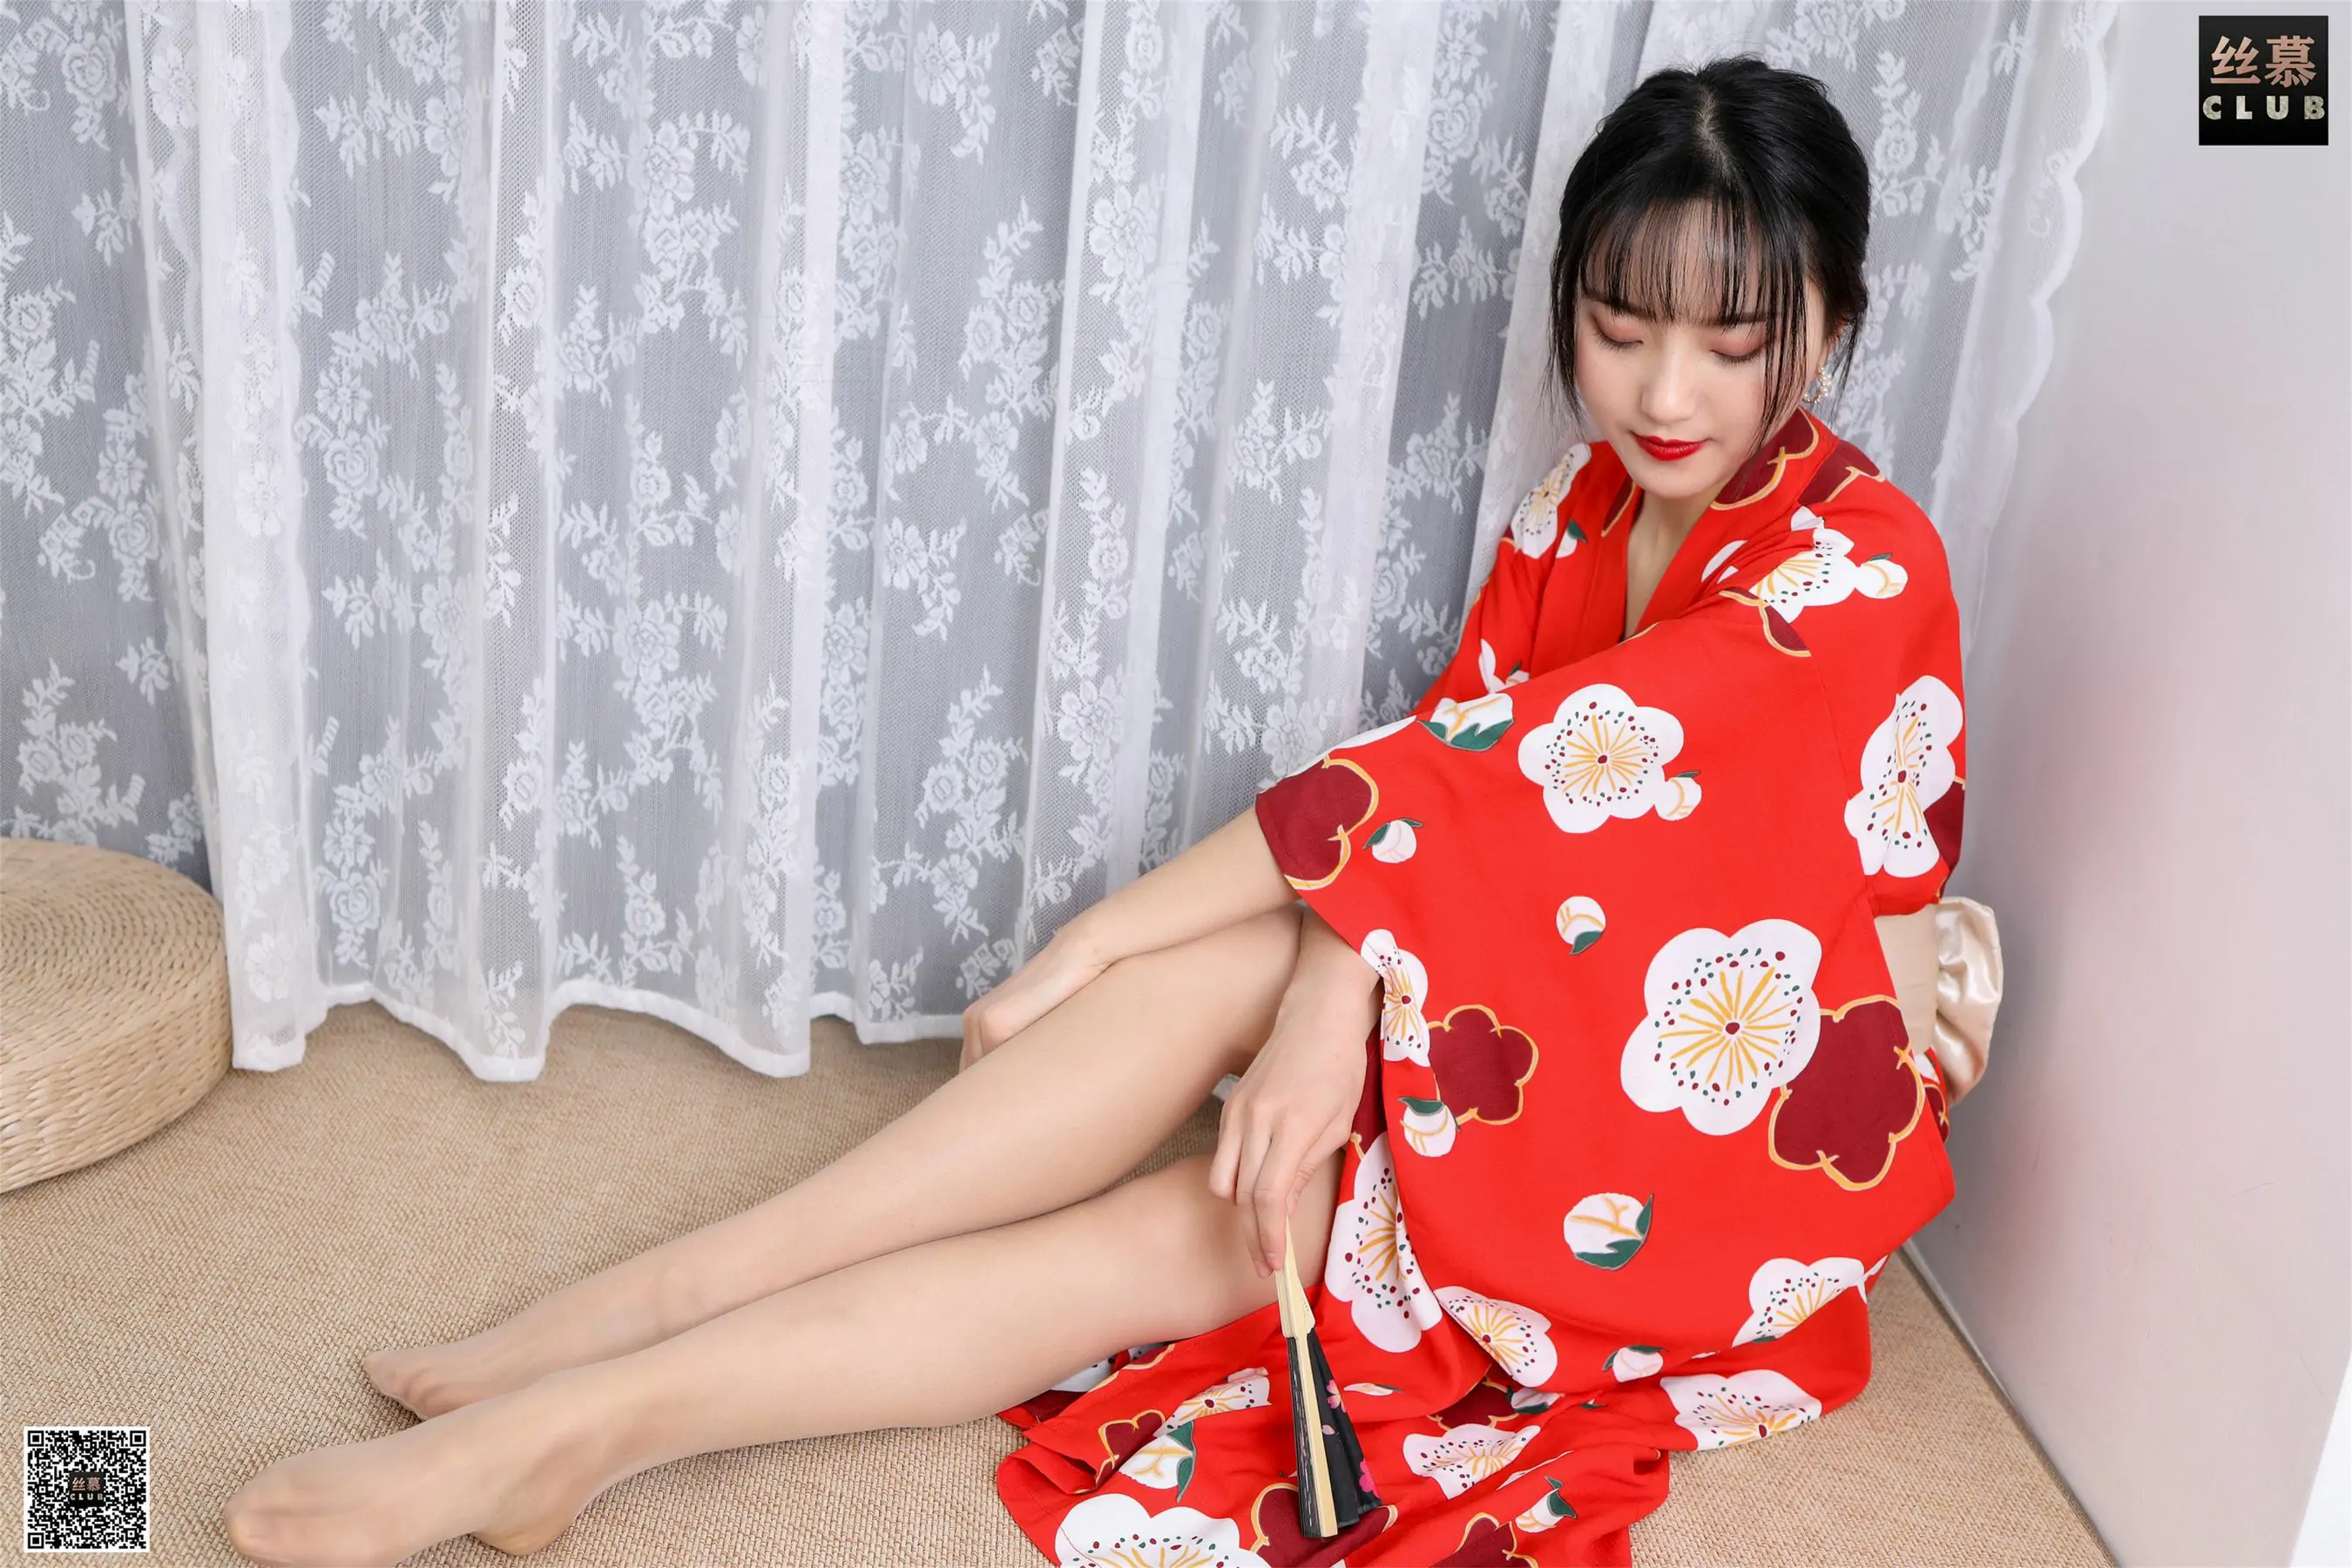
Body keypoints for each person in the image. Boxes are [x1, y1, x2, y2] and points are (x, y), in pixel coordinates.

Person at [221, 54, 1964, 1568]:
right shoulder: (1573, 511)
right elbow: (1444, 785)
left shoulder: (1862, 570)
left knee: (1210, 1214)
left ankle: (596, 1417)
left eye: (1733, 344)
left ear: (1829, 326)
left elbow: (1470, 796)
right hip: (1540, 1002)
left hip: (1709, 1127)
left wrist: (1231, 983)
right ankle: (657, 1311)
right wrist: (1288, 998)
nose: (1665, 394)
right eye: (1620, 329)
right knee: (1244, 998)